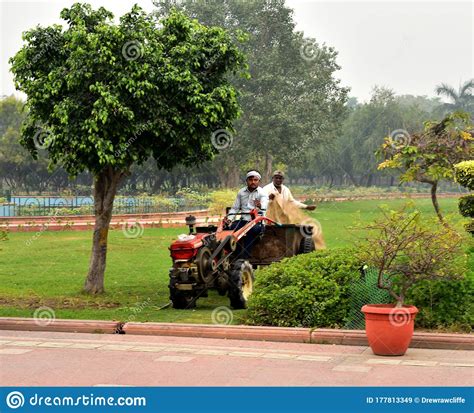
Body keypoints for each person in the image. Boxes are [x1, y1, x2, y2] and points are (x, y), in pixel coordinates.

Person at [227, 170, 269, 258]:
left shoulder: (262, 193)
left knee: (251, 230)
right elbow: (235, 208)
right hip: (243, 221)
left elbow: (264, 205)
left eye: (255, 180)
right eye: (250, 180)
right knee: (231, 228)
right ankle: (235, 255)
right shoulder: (241, 192)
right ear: (246, 181)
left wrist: (260, 205)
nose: (253, 182)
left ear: (258, 181)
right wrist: (229, 219)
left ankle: (246, 257)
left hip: (257, 222)